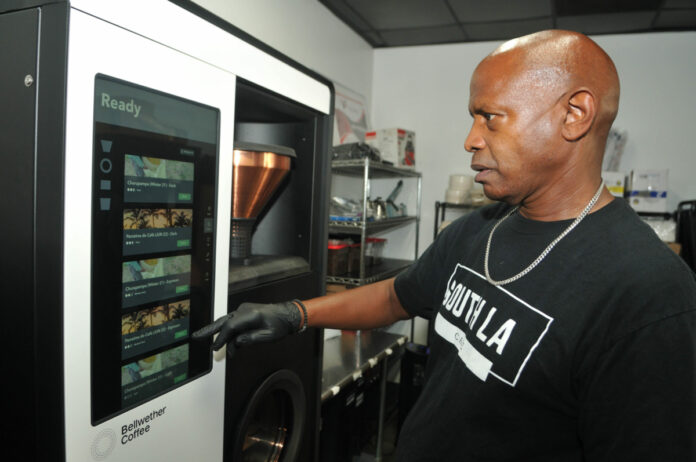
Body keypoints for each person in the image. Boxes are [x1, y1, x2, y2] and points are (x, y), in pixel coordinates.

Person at [193, 30, 696, 461]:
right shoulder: (478, 228)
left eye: (490, 117)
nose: (470, 139)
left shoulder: (647, 295)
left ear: (575, 114)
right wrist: (295, 314)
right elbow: (397, 296)